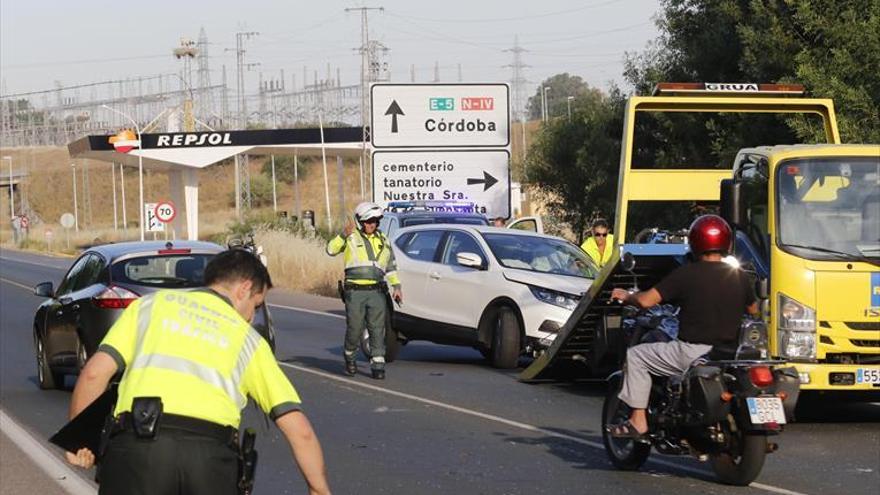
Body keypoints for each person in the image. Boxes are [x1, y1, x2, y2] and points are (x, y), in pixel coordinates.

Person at [64, 249, 331, 495]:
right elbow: (300, 431)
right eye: (256, 305)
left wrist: (80, 441)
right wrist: (319, 490)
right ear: (244, 288)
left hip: (138, 452)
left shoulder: (150, 307)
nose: (252, 316)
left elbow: (93, 375)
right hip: (210, 461)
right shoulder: (249, 341)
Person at [608, 215, 758, 439]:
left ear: (696, 241)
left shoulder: (686, 274)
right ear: (726, 242)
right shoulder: (739, 276)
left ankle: (638, 420)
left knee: (636, 356)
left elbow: (646, 301)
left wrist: (626, 295)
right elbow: (753, 310)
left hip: (692, 352)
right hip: (728, 353)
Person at [326, 202, 403, 379]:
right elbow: (330, 250)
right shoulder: (351, 237)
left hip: (377, 292)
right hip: (355, 292)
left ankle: (378, 365)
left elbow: (390, 267)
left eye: (375, 221)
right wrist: (343, 236)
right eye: (368, 221)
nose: (372, 225)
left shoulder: (384, 240)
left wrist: (397, 287)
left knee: (377, 329)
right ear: (361, 222)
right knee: (355, 328)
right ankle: (349, 355)